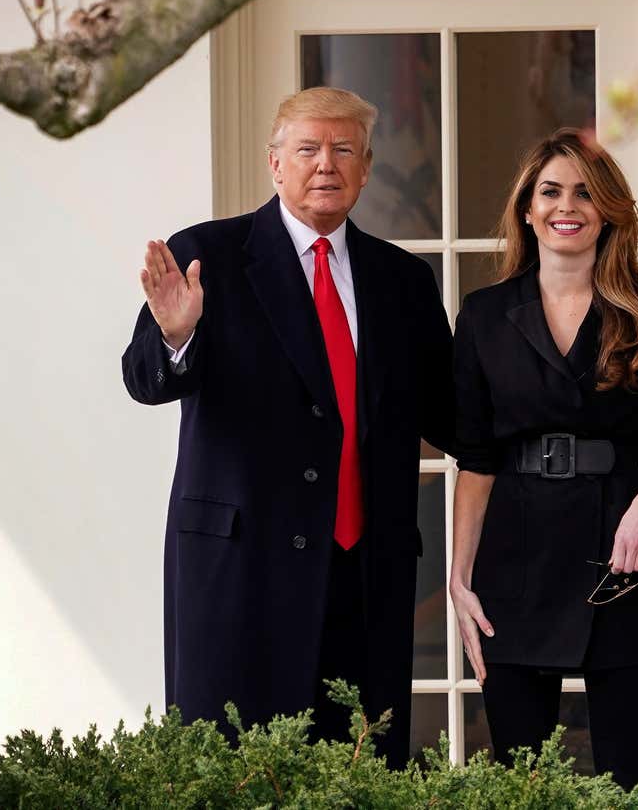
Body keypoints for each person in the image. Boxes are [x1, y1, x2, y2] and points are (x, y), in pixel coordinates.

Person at [121, 86, 454, 767]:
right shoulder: (206, 255)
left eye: (343, 150)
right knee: (235, 774)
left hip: (367, 577)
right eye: (307, 149)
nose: (324, 165)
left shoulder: (404, 281)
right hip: (241, 573)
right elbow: (144, 379)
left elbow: (453, 416)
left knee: (362, 775)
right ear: (275, 165)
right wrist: (177, 337)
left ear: (365, 168)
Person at [448, 128, 638, 809]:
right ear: (527, 208)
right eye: (551, 190)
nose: (568, 205)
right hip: (515, 558)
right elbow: (476, 458)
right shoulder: (485, 316)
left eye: (586, 192)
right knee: (521, 785)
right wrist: (459, 578)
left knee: (628, 783)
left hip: (622, 555)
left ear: (609, 209)